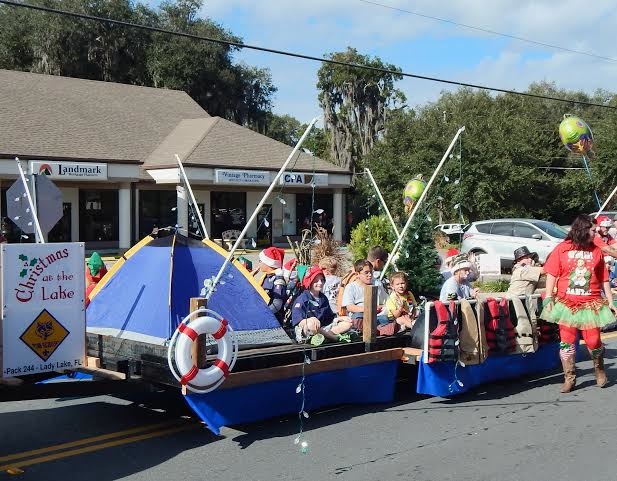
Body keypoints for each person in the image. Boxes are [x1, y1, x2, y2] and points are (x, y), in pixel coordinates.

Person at [541, 214, 617, 393]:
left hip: (591, 304)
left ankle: (599, 370)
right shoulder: (562, 248)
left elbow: (604, 278)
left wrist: (610, 301)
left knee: (594, 341)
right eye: (592, 230)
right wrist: (548, 298)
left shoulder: (596, 250)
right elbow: (551, 273)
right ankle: (569, 377)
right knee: (567, 342)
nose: (595, 233)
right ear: (583, 230)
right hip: (566, 305)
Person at [291, 265, 352, 344]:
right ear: (310, 281)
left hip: (323, 328)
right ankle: (331, 337)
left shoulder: (323, 298)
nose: (320, 283)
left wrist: (340, 319)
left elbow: (329, 318)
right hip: (308, 330)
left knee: (348, 324)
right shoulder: (302, 299)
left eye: (322, 280)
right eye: (316, 280)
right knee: (310, 325)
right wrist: (310, 319)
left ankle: (324, 336)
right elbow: (298, 321)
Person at [341, 259, 388, 331]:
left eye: (371, 272)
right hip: (360, 314)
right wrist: (368, 309)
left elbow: (385, 301)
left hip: (376, 315)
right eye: (366, 273)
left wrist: (379, 308)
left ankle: (380, 329)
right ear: (357, 274)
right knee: (358, 317)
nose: (369, 275)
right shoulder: (351, 287)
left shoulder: (377, 283)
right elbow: (349, 307)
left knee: (384, 319)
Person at [255, 246, 287, 323]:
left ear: (268, 263)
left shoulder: (278, 280)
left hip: (272, 319)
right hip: (263, 314)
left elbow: (277, 304)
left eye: (260, 261)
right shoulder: (266, 277)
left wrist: (263, 314)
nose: (258, 263)